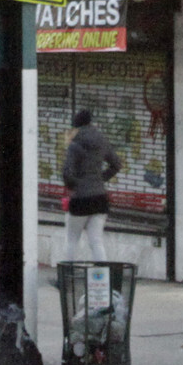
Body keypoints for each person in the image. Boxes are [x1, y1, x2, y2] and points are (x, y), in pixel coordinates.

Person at [61, 107, 121, 262]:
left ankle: (68, 277)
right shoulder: (102, 141)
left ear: (77, 126)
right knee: (96, 241)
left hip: (80, 199)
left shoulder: (75, 145)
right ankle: (102, 279)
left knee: (72, 240)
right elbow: (116, 164)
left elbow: (67, 172)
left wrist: (74, 186)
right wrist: (100, 179)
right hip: (100, 198)